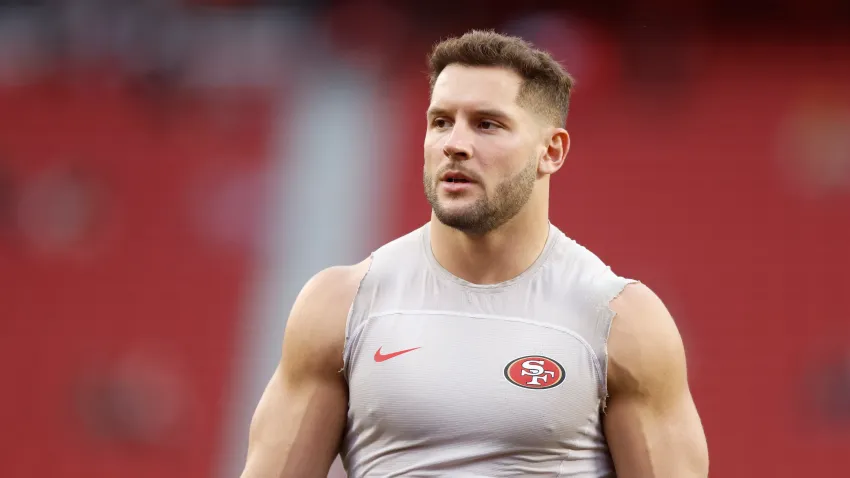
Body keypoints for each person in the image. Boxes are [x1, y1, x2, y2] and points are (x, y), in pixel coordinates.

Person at [240, 30, 709, 478]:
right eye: (441, 121)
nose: (454, 145)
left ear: (552, 150)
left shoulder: (622, 323)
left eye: (487, 124)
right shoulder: (341, 305)